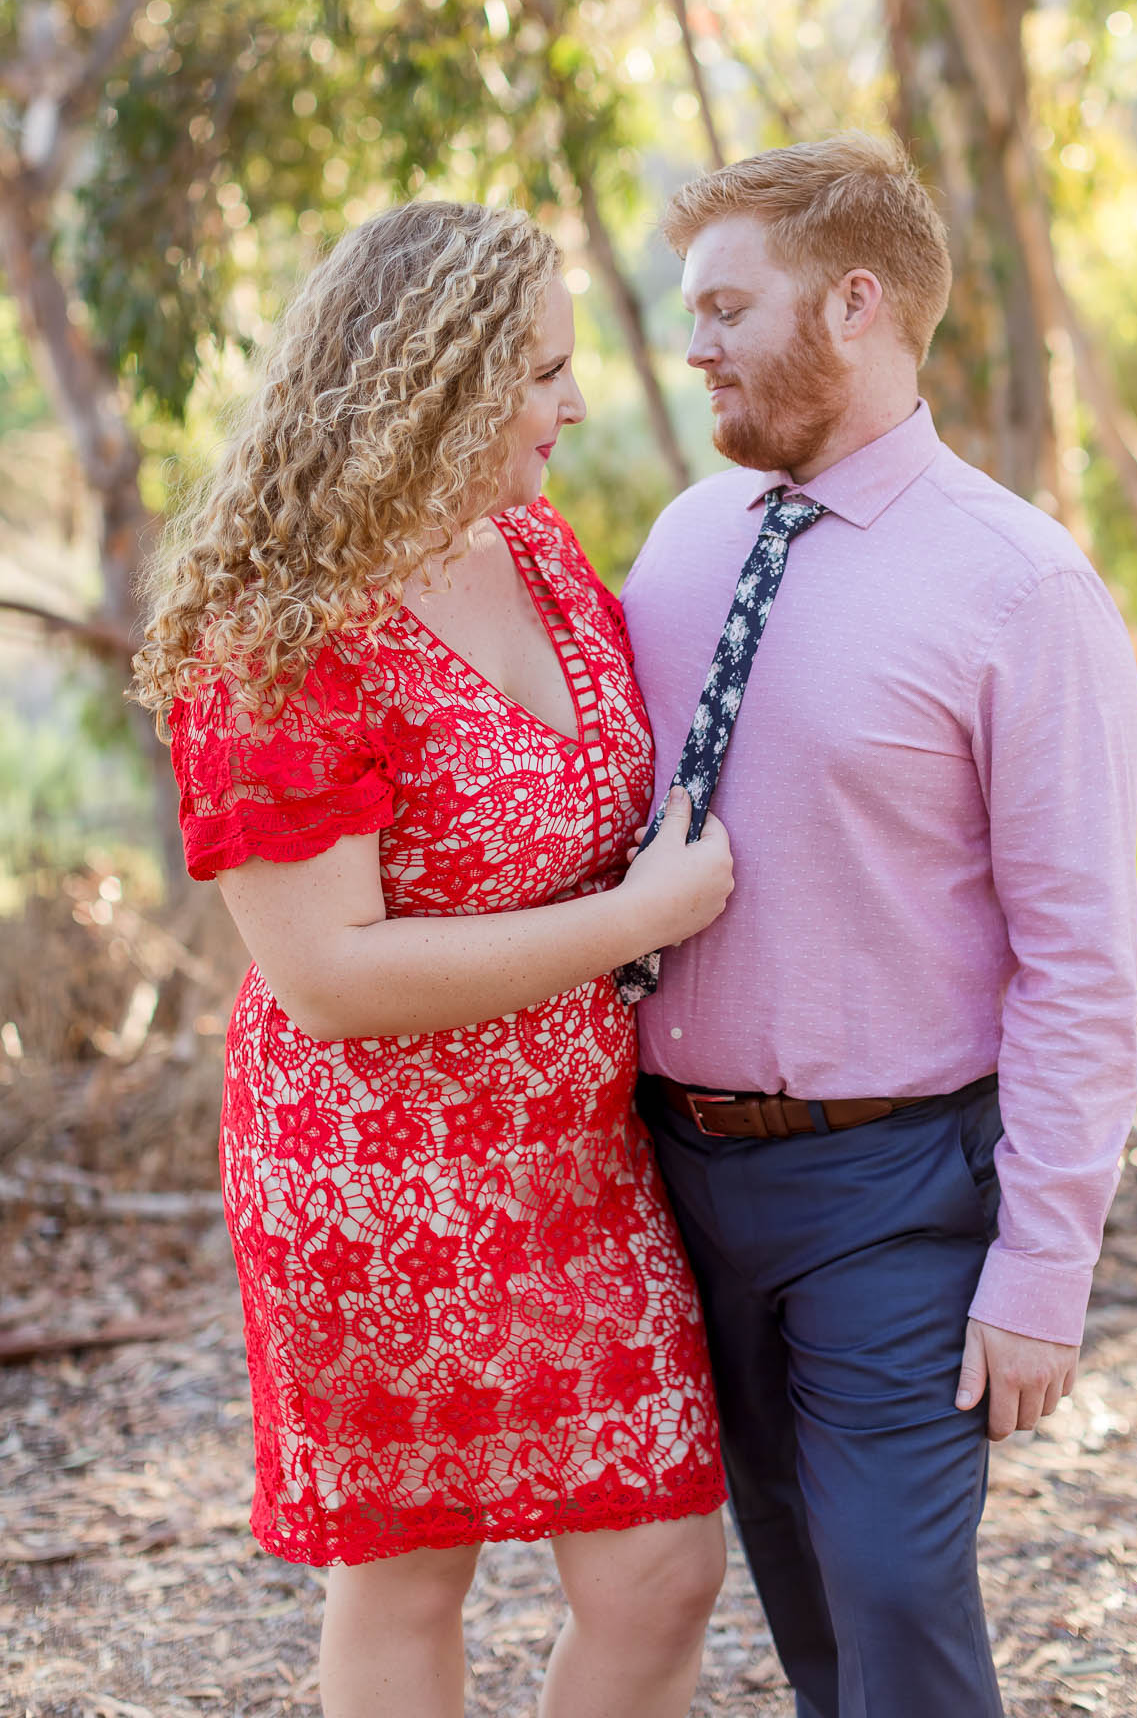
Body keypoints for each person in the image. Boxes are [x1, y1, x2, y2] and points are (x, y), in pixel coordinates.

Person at [130, 200, 735, 1718]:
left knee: (660, 1568)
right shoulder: (276, 627)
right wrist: (638, 923)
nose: (573, 405)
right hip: (376, 1180)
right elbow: (327, 973)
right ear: (438, 378)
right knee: (409, 1571)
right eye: (540, 373)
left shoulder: (535, 551)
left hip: (577, 1162)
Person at [621, 133, 1137, 1718]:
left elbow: (1080, 962)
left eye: (726, 306)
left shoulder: (1021, 589)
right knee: (793, 1582)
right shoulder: (679, 541)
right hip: (667, 1164)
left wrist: (1042, 1271)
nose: (693, 343)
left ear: (853, 303)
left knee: (898, 1598)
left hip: (894, 1186)